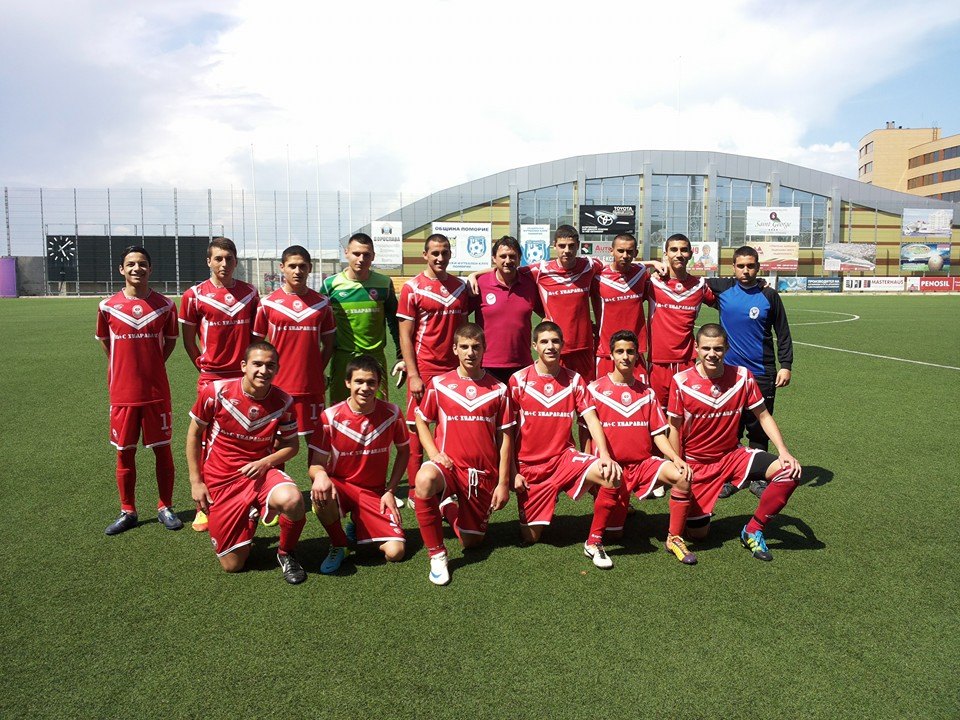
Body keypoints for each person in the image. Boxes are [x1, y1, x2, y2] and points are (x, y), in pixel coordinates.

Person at [666, 324, 802, 562]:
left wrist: (784, 451)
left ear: (727, 348)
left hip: (732, 456)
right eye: (706, 348)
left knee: (789, 472)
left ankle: (753, 529)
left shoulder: (742, 376)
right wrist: (677, 462)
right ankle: (695, 512)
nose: (712, 354)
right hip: (697, 464)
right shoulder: (681, 381)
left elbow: (763, 415)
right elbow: (674, 427)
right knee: (699, 535)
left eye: (718, 349)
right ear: (696, 348)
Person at [186, 341, 308, 584]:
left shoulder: (284, 402)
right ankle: (250, 514)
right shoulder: (216, 392)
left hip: (260, 474)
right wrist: (196, 481)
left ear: (277, 369)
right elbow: (194, 434)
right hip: (221, 479)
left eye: (270, 366)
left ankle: (286, 553)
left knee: (293, 500)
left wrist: (265, 463)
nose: (264, 371)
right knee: (233, 565)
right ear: (244, 366)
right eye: (257, 364)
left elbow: (292, 446)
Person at [508, 322, 623, 566]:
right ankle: (548, 496)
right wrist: (512, 472)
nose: (550, 346)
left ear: (562, 345)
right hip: (530, 467)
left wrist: (604, 455)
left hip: (563, 459)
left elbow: (591, 419)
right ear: (535, 345)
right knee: (530, 537)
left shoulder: (574, 380)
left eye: (555, 341)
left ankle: (594, 542)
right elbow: (507, 431)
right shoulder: (519, 380)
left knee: (610, 474)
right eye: (544, 342)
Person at [412, 323, 514, 585]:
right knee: (424, 480)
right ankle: (437, 554)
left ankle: (447, 506)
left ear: (484, 349)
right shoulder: (439, 384)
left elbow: (505, 439)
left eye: (476, 347)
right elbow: (421, 419)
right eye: (465, 347)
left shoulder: (499, 389)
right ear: (455, 349)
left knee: (472, 542)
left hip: (481, 474)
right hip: (448, 467)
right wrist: (434, 453)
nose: (471, 352)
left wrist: (503, 483)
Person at [587, 331, 697, 565]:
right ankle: (600, 532)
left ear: (637, 355)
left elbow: (658, 434)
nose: (625, 356)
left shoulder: (647, 393)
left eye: (630, 352)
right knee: (615, 535)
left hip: (643, 464)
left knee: (682, 476)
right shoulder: (595, 390)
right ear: (611, 355)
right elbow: (587, 433)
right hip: (614, 469)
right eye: (619, 351)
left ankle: (674, 538)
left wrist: (675, 457)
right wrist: (591, 465)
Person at [96, 245, 182, 535]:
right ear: (122, 269)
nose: (137, 268)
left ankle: (165, 506)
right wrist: (124, 367)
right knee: (124, 453)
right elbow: (106, 344)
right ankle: (128, 510)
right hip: (122, 392)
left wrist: (150, 365)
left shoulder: (166, 305)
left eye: (142, 263)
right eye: (131, 264)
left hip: (156, 391)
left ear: (150, 269)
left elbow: (170, 342)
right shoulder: (107, 306)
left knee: (163, 449)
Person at [179, 236, 260, 532]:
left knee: (245, 437)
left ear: (236, 261)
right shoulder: (194, 295)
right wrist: (204, 366)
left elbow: (257, 337)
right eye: (218, 258)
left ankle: (248, 497)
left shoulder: (250, 293)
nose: (224, 264)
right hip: (212, 377)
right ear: (209, 261)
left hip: (243, 377)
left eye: (229, 258)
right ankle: (204, 506)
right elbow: (189, 341)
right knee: (206, 439)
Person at [308, 355, 409, 574]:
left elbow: (404, 451)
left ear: (378, 384)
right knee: (321, 493)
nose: (365, 388)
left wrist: (391, 490)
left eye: (371, 382)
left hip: (373, 492)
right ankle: (339, 544)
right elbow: (315, 464)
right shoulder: (330, 417)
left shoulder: (392, 413)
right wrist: (321, 476)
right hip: (340, 487)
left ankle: (358, 522)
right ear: (347, 383)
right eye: (359, 382)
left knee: (396, 552)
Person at [707, 245, 794, 499]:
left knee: (758, 428)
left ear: (758, 267)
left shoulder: (769, 295)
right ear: (733, 267)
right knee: (729, 428)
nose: (746, 270)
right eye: (741, 266)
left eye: (751, 266)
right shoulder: (722, 288)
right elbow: (687, 282)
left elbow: (783, 332)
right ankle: (730, 476)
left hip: (761, 372)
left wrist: (786, 365)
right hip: (729, 374)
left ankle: (757, 478)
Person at [397, 234, 470, 506]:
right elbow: (405, 336)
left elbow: (465, 331)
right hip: (425, 369)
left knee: (451, 427)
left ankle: (449, 483)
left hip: (453, 370)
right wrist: (414, 374)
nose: (440, 258)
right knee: (417, 429)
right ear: (425, 255)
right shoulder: (412, 288)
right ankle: (414, 491)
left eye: (445, 252)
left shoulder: (460, 287)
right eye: (435, 253)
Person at [253, 245, 336, 450]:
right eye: (292, 266)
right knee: (275, 445)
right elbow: (256, 346)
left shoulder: (322, 303)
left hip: (311, 388)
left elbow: (329, 344)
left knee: (317, 445)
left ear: (310, 268)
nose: (297, 271)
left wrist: (316, 370)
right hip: (277, 387)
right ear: (282, 267)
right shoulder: (268, 303)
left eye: (302, 266)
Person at [322, 232, 402, 404]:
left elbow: (395, 321)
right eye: (356, 253)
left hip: (375, 357)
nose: (361, 259)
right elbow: (319, 327)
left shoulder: (384, 283)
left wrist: (400, 355)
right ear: (346, 253)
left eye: (366, 254)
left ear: (373, 256)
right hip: (343, 357)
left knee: (378, 410)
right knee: (340, 410)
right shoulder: (330, 285)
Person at [645, 233, 716, 409]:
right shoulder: (652, 283)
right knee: (658, 414)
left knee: (686, 413)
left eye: (684, 250)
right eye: (674, 250)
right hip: (658, 361)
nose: (679, 254)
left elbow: (727, 302)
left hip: (688, 362)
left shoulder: (699, 285)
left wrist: (757, 286)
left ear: (690, 254)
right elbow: (621, 270)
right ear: (666, 254)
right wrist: (651, 263)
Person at [471, 235, 542, 383]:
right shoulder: (480, 284)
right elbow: (461, 317)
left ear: (519, 259)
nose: (508, 261)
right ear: (494, 258)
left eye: (512, 256)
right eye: (503, 256)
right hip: (486, 364)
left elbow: (546, 314)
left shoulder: (530, 285)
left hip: (522, 363)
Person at [591, 233, 651, 381]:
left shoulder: (641, 274)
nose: (625, 255)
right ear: (611, 251)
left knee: (640, 393)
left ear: (636, 253)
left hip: (634, 351)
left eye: (629, 251)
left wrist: (655, 264)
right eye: (620, 251)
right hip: (605, 351)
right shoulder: (597, 277)